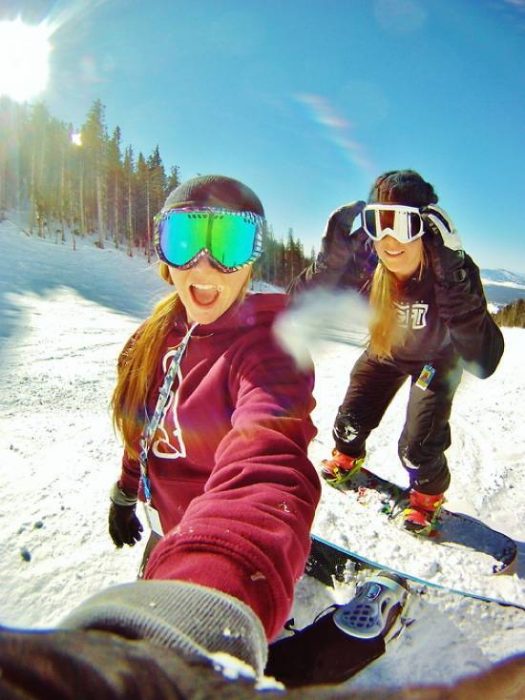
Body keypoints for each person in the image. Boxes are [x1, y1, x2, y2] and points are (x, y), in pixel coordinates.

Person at [106, 174, 321, 643]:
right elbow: (143, 428)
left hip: (218, 537)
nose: (203, 268)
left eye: (229, 243)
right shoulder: (148, 340)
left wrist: (217, 592)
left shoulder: (269, 350)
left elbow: (270, 458)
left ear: (252, 260)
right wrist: (127, 489)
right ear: (164, 254)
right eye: (183, 241)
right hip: (170, 529)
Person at [290, 170, 504, 533]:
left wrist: (453, 280)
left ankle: (427, 494)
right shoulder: (369, 262)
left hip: (436, 361)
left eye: (402, 223)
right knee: (349, 421)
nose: (388, 239)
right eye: (378, 222)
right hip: (387, 349)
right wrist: (329, 263)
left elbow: (483, 361)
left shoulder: (452, 269)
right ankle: (348, 453)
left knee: (417, 446)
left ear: (426, 228)